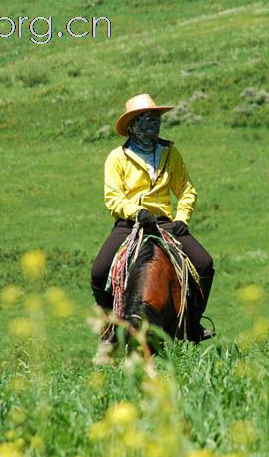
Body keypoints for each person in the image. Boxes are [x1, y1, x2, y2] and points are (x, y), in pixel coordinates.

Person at [90, 93, 215, 344]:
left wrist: (182, 217)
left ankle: (193, 323)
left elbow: (186, 189)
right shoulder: (117, 157)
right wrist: (136, 212)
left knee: (204, 263)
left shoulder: (171, 152)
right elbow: (113, 197)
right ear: (132, 126)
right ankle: (111, 329)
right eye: (147, 119)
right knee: (99, 271)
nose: (154, 124)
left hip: (166, 223)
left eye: (156, 119)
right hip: (130, 224)